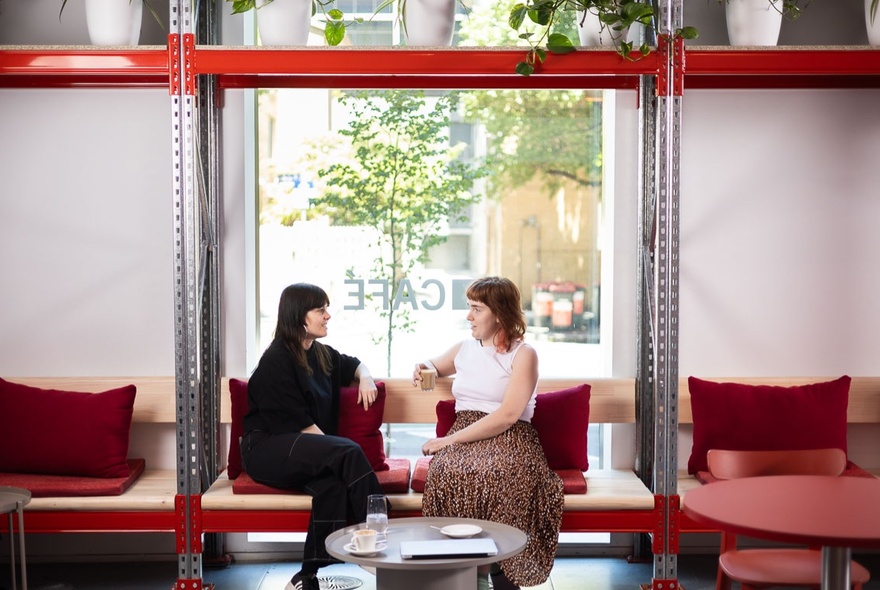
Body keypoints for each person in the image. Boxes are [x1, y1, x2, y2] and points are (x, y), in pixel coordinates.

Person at [411, 276, 564, 590]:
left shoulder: (524, 354)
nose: (469, 316)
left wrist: (447, 440)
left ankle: (502, 574)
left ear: (499, 313)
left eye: (477, 309)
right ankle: (462, 574)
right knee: (449, 470)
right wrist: (423, 365)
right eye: (470, 308)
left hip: (512, 435)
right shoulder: (464, 348)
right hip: (465, 429)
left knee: (505, 473)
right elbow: (434, 365)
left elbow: (508, 415)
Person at [241, 283, 384, 590]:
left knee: (332, 485)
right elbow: (302, 428)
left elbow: (354, 364)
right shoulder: (276, 360)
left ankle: (306, 576)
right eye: (320, 309)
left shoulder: (320, 354)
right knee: (347, 452)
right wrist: (335, 453)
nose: (328, 315)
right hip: (266, 447)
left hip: (300, 450)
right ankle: (374, 541)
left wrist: (367, 378)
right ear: (299, 316)